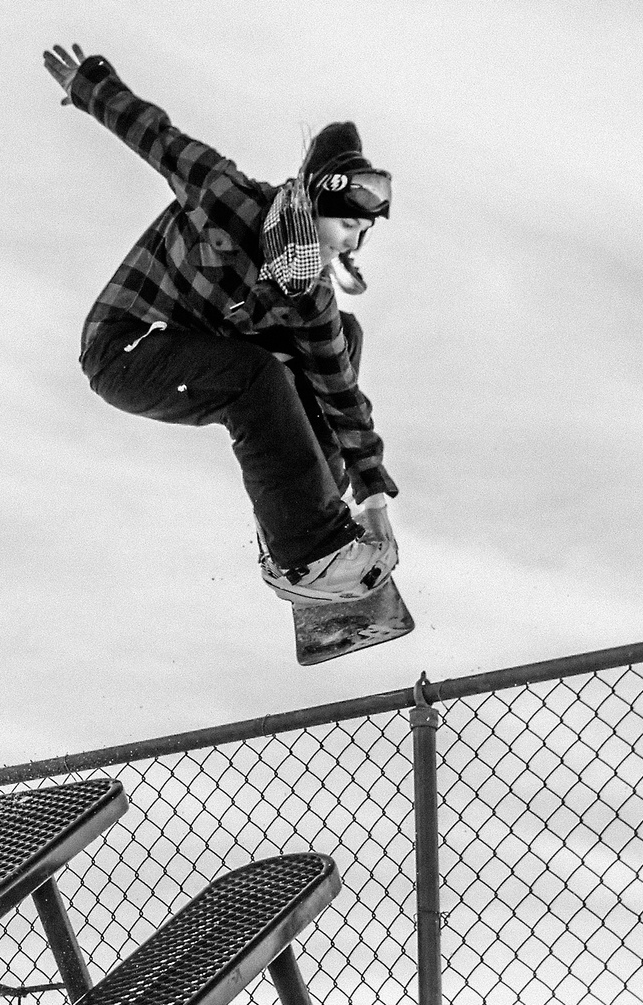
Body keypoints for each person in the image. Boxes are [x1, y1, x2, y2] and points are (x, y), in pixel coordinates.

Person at [42, 42, 400, 605]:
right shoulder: (222, 192)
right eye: (350, 226)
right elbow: (155, 136)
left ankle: (313, 520)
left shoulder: (312, 300)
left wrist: (374, 500)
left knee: (340, 342)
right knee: (258, 376)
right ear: (309, 206)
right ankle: (308, 555)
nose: (353, 243)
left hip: (207, 349)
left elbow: (342, 397)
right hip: (125, 348)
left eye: (363, 234)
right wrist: (89, 86)